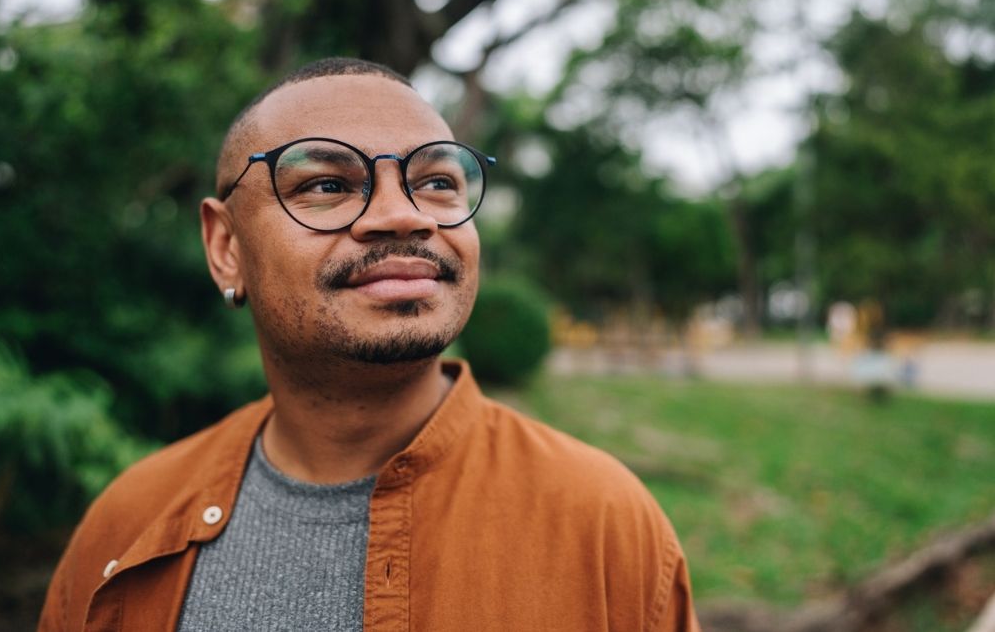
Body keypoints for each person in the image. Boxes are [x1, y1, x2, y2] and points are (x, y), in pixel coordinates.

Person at [39, 57, 700, 632]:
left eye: (438, 182)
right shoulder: (126, 526)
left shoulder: (605, 526)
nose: (404, 214)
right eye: (327, 184)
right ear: (226, 248)